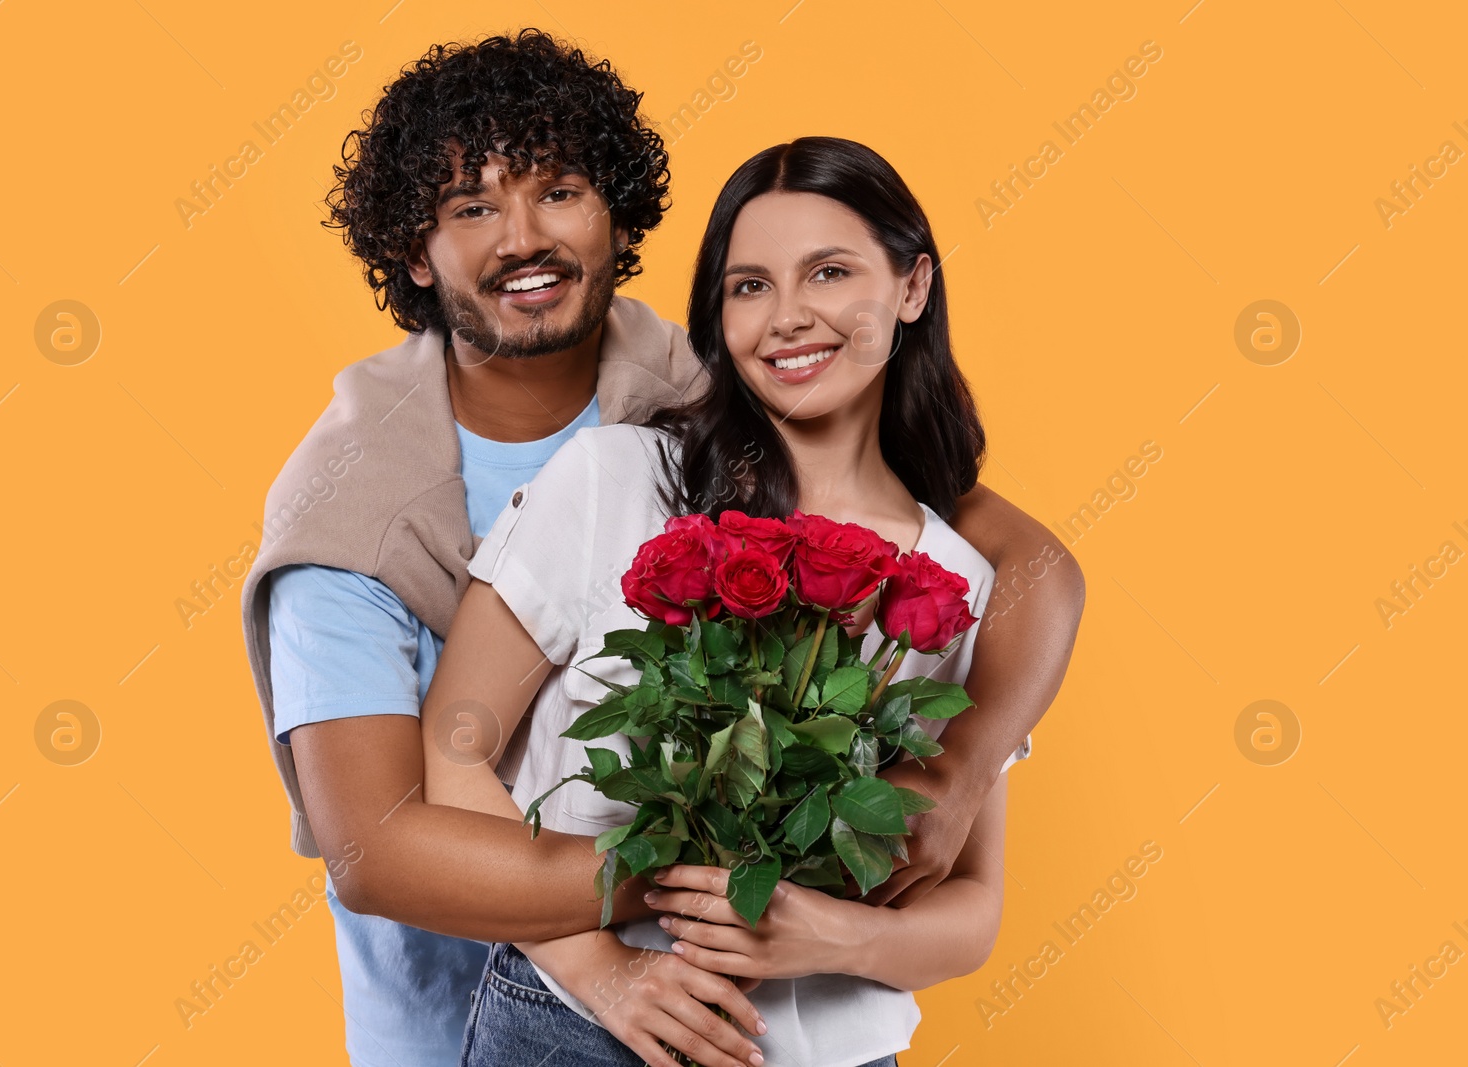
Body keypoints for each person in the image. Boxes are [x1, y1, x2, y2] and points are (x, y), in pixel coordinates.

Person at [239, 31, 1083, 1067]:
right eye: (470, 207)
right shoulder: (361, 509)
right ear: (415, 251)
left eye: (558, 190)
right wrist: (681, 899)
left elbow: (1015, 562)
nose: (521, 238)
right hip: (480, 1008)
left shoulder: (708, 395)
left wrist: (952, 779)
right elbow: (379, 841)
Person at [420, 136, 1067, 1067]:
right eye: (749, 285)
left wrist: (839, 939)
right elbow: (453, 746)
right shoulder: (619, 480)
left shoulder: (960, 582)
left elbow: (972, 909)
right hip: (574, 1030)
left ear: (913, 287)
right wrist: (601, 969)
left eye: (831, 272)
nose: (788, 318)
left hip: (839, 1049)